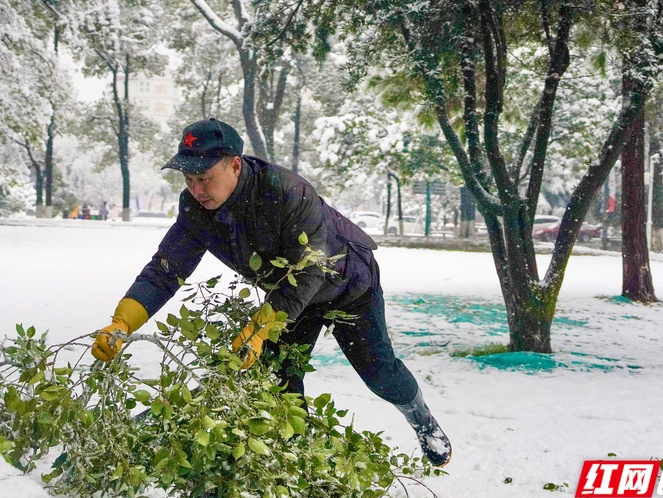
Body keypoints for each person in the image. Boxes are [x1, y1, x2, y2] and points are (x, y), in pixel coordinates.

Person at [91, 118, 451, 466]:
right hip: (291, 299)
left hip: (348, 288)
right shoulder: (196, 209)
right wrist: (123, 322)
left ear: (234, 165)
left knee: (380, 375)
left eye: (204, 178)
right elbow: (165, 271)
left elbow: (308, 270)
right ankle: (293, 464)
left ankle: (423, 422)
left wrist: (260, 328)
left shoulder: (286, 191)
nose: (196, 190)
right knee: (278, 384)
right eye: (188, 179)